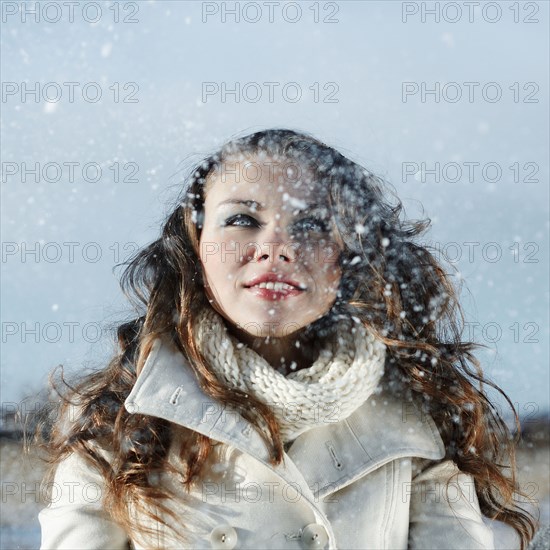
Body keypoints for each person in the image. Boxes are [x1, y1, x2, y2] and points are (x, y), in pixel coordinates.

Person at [37, 129, 537, 549]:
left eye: (312, 224)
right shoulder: (117, 420)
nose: (275, 247)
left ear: (349, 254)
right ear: (196, 244)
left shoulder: (413, 419)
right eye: (242, 220)